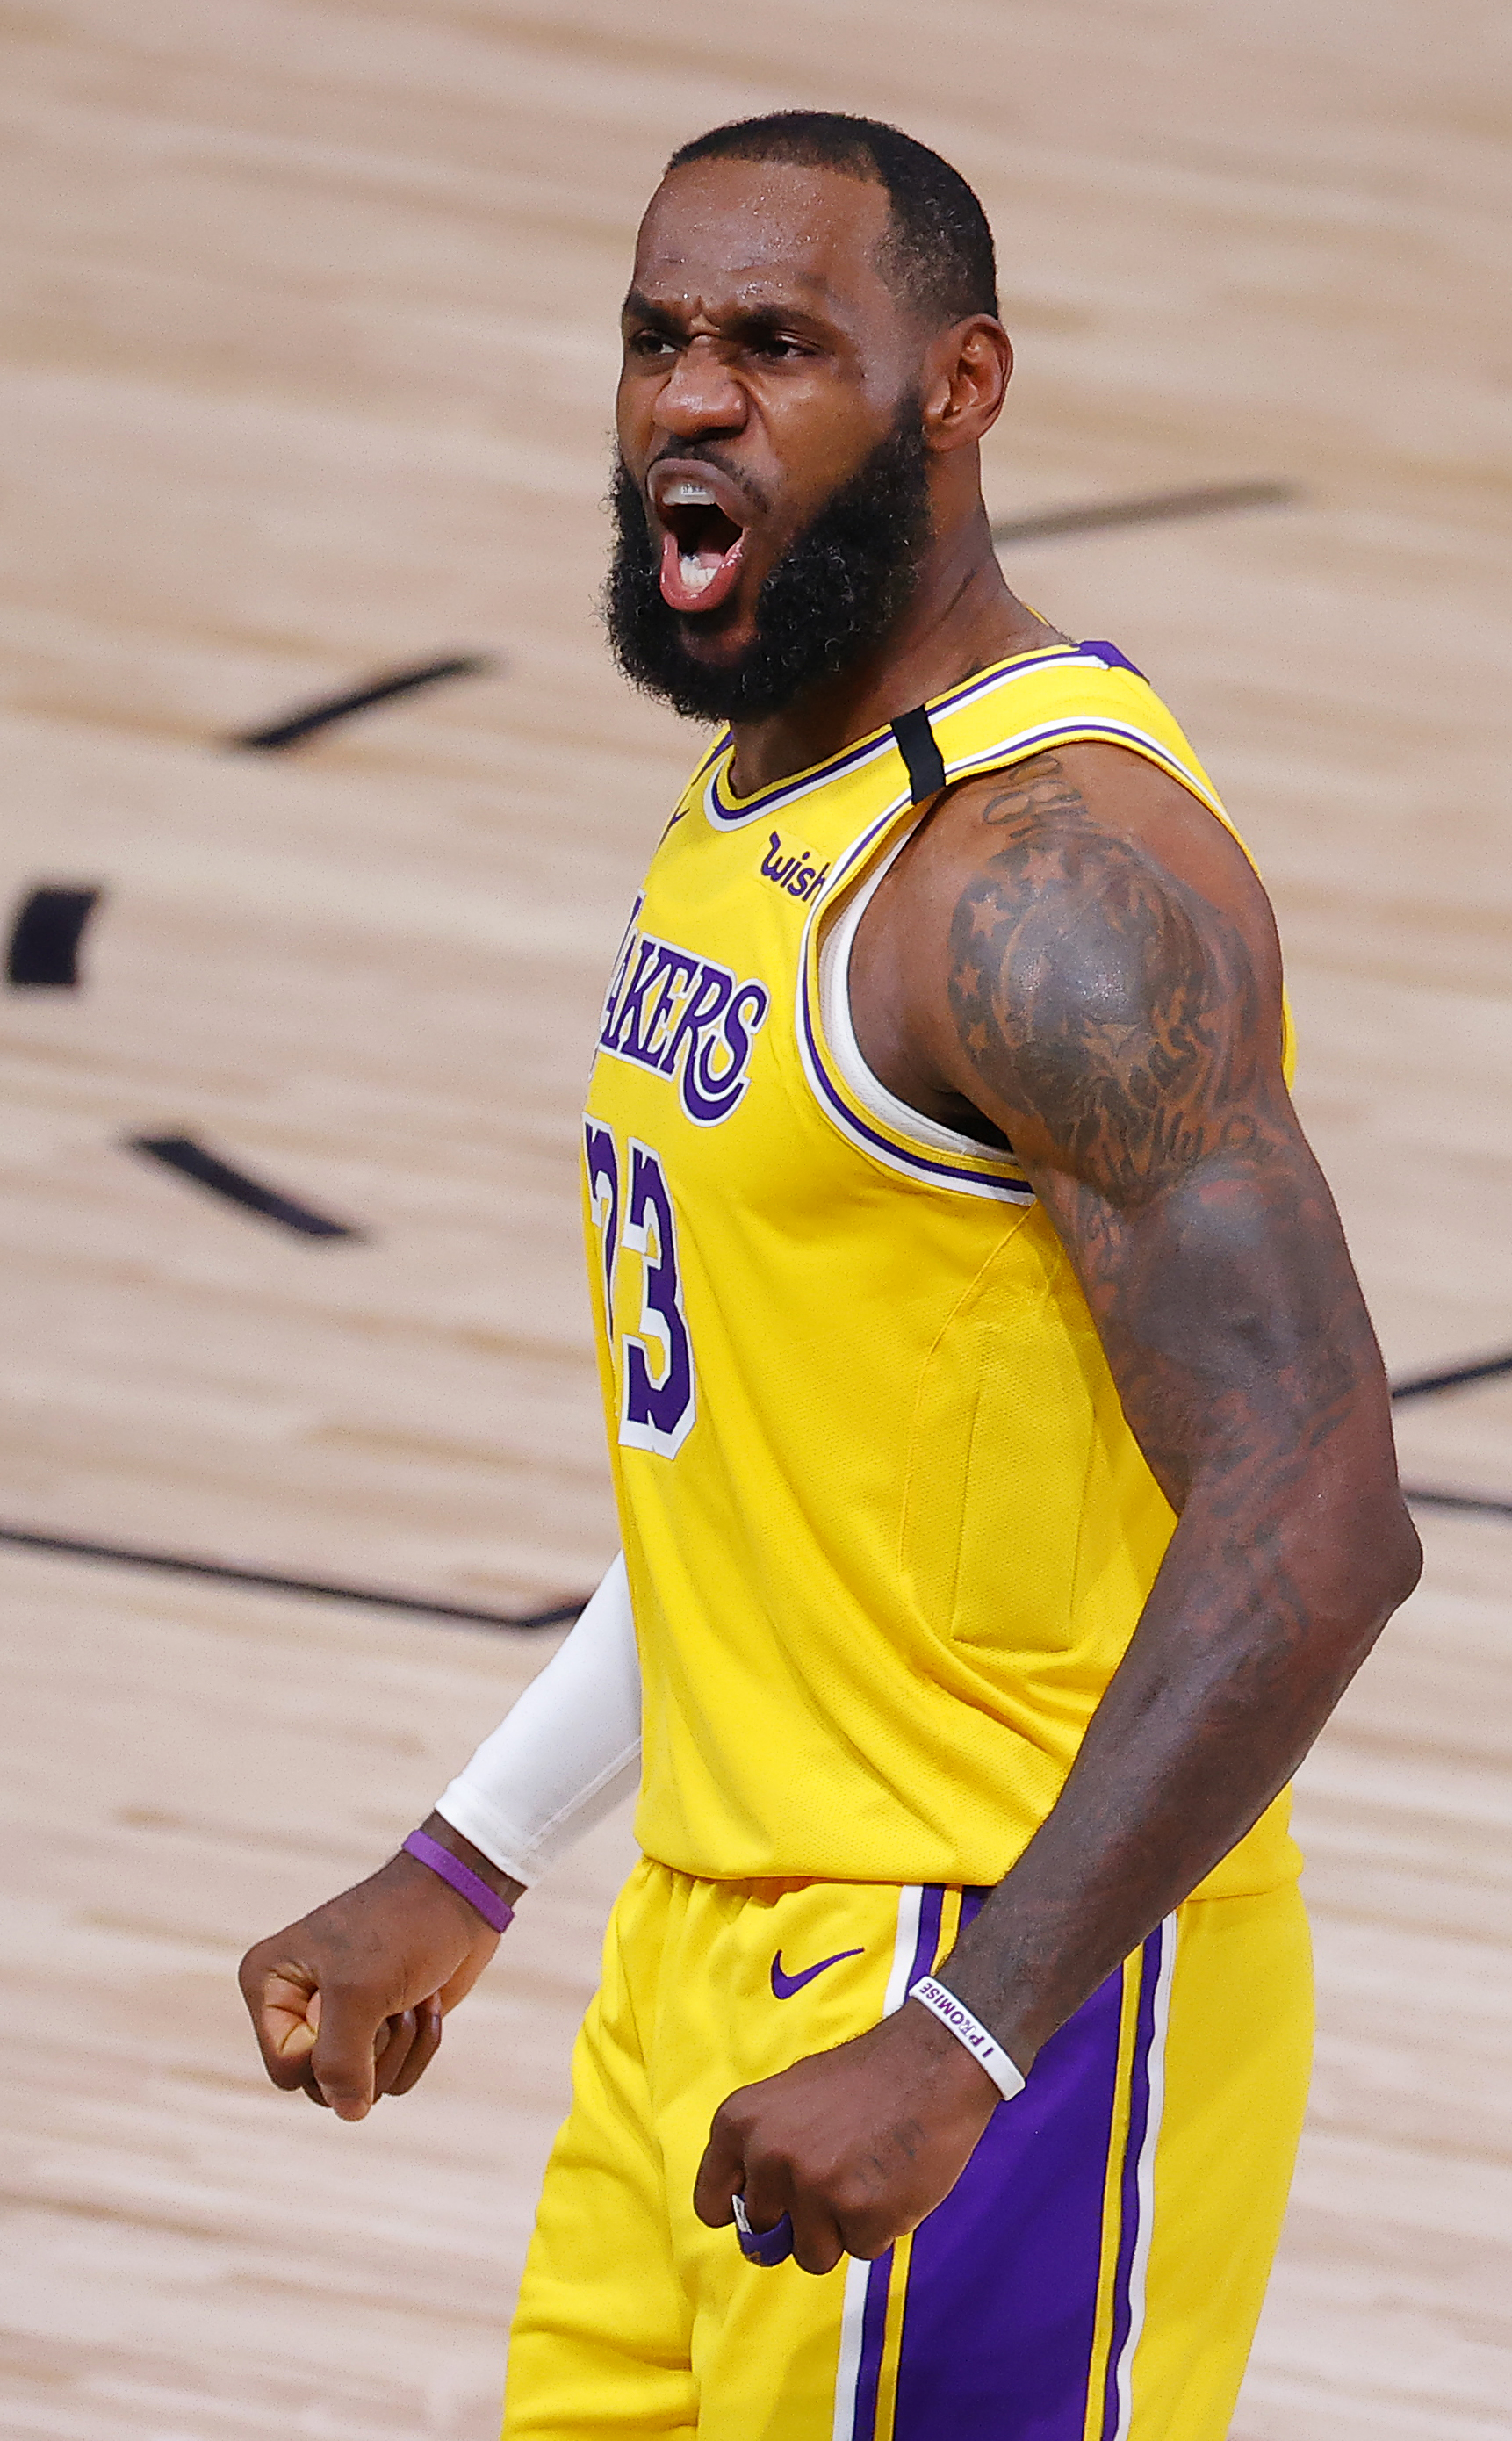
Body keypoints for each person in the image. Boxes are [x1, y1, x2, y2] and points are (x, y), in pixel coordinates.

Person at [238, 110, 1421, 2441]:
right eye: (657, 340)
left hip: (979, 1967)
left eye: (777, 344)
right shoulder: (763, 800)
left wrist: (971, 2033)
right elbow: (765, 1491)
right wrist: (464, 1855)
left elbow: (1320, 1517)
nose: (692, 396)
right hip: (709, 1947)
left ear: (957, 386)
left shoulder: (1043, 886)